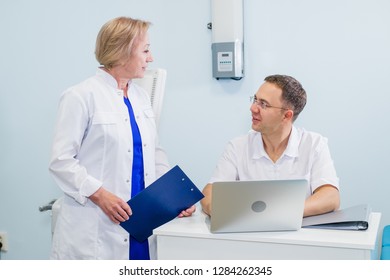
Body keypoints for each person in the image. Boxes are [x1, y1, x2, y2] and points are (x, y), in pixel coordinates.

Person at [48, 16, 195, 260]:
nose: (151, 58)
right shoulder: (80, 96)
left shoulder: (140, 97)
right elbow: (61, 161)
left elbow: (154, 152)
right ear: (122, 52)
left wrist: (174, 198)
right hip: (95, 233)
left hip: (141, 226)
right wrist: (100, 194)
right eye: (145, 50)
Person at [201, 74, 340, 217]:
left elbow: (330, 197)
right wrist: (217, 210)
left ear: (286, 116)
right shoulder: (237, 147)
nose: (253, 108)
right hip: (248, 234)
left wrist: (277, 212)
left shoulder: (314, 144)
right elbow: (210, 191)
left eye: (263, 104)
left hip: (299, 236)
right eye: (255, 100)